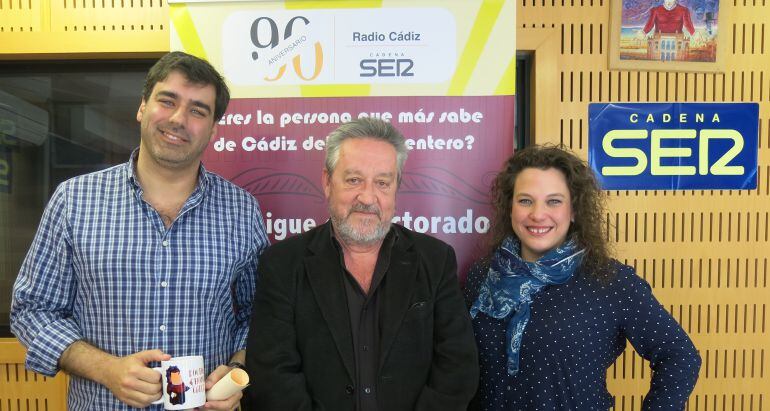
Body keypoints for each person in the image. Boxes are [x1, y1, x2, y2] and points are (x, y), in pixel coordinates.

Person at [11, 51, 269, 410]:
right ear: (142, 107)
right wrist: (107, 369)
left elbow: (258, 314)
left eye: (198, 110)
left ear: (212, 129)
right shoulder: (74, 200)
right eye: (167, 101)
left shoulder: (241, 211)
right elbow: (32, 309)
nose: (179, 119)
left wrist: (236, 371)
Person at [245, 118, 479, 410]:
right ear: (328, 182)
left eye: (382, 183)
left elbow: (457, 366)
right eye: (354, 180)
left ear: (396, 188)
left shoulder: (435, 259)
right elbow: (272, 375)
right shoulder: (282, 264)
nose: (368, 197)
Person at [464, 145, 701, 410]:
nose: (537, 214)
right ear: (510, 208)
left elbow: (680, 356)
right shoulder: (482, 276)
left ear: (574, 210)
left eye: (554, 201)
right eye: (525, 200)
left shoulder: (610, 280)